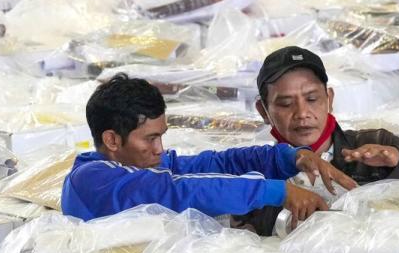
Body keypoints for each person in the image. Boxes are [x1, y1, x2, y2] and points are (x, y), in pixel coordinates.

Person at [232, 45, 399, 235]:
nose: (302, 113)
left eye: (312, 99)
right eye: (285, 104)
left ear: (329, 98)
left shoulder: (376, 143)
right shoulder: (254, 176)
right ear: (264, 111)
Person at [61, 74, 357, 224]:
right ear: (112, 140)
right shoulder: (94, 179)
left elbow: (212, 164)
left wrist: (289, 157)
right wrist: (278, 191)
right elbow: (182, 190)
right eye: (150, 139)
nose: (159, 149)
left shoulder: (133, 166)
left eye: (161, 136)